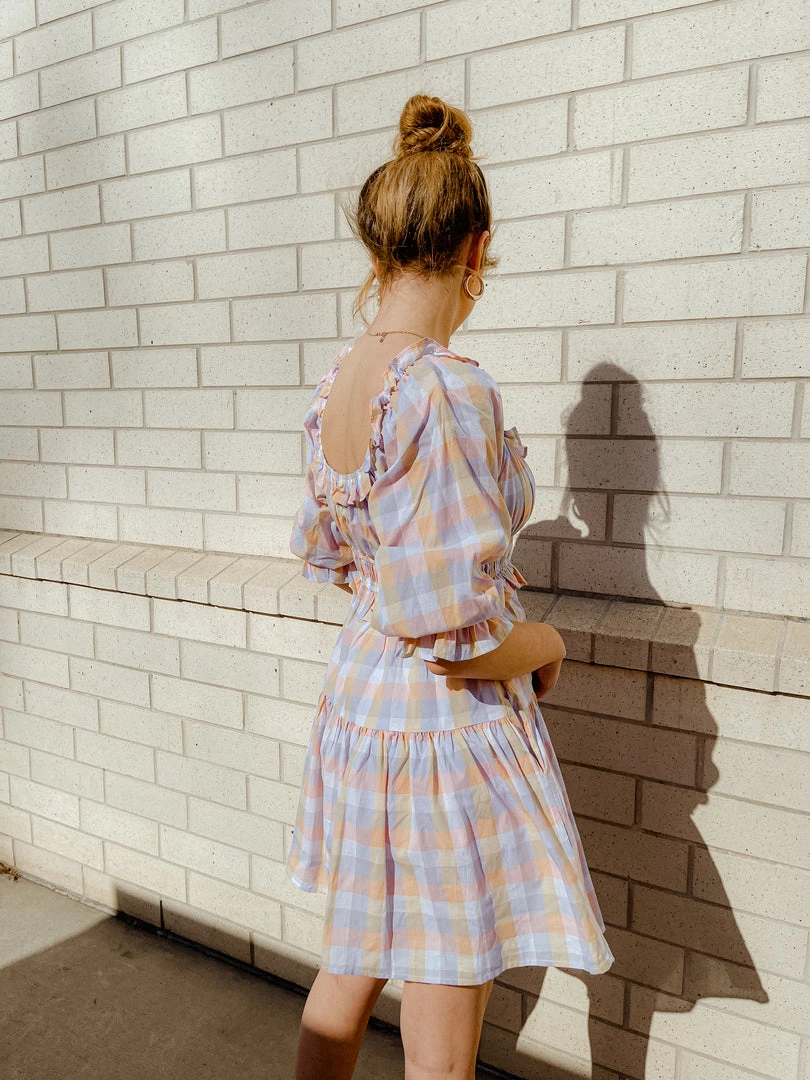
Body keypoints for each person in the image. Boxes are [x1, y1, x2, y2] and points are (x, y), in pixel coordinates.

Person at [287, 93, 614, 1080]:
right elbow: (455, 636)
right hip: (440, 733)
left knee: (352, 964)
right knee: (444, 986)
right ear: (476, 248)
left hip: (361, 707)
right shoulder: (447, 386)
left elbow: (332, 554)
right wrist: (547, 643)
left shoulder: (341, 379)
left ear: (380, 247)